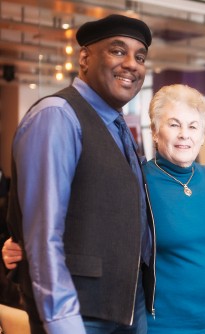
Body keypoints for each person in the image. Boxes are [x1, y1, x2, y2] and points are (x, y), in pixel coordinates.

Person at [5, 14, 154, 334]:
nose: (131, 63)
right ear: (85, 57)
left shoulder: (118, 126)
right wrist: (63, 323)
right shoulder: (57, 116)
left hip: (127, 307)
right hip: (78, 312)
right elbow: (43, 235)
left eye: (140, 56)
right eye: (118, 51)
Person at [142, 84, 205, 334]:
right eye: (174, 124)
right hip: (161, 327)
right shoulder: (139, 182)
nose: (184, 134)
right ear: (154, 131)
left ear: (203, 135)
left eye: (193, 126)